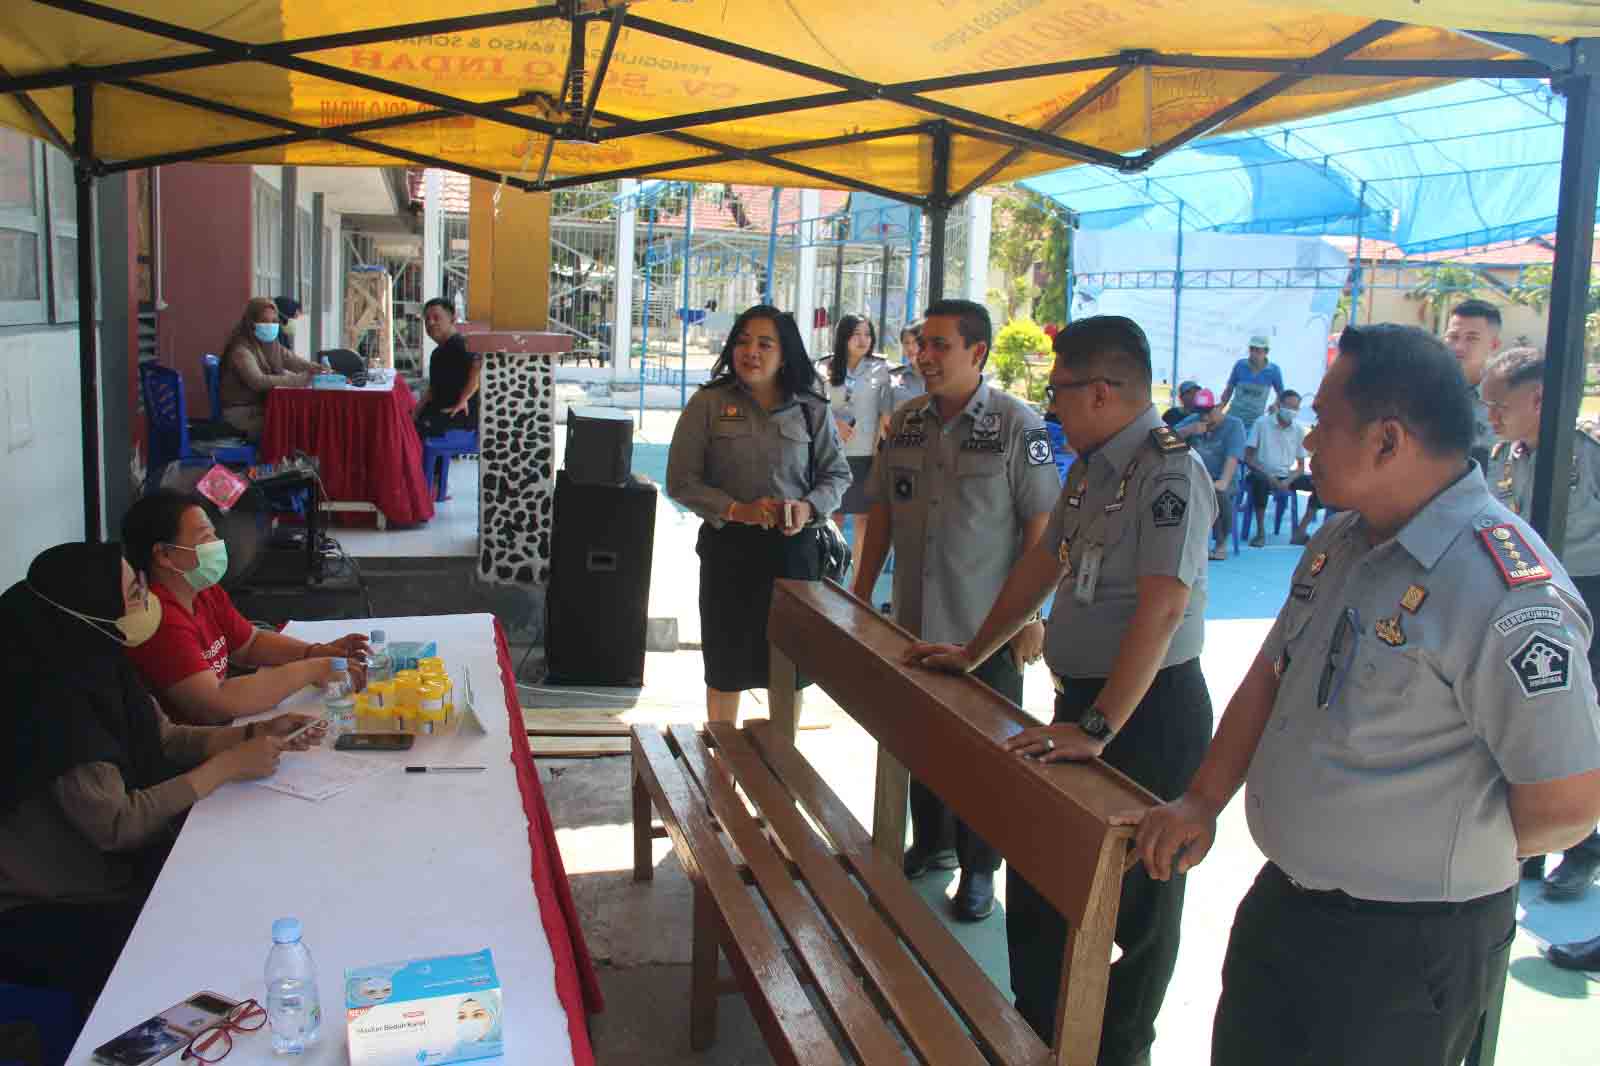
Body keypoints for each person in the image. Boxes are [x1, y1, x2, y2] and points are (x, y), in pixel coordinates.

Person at [1127, 323, 1600, 1066]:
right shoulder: (1344, 540)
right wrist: (1202, 800)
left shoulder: (1504, 592)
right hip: (1288, 904)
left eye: (1323, 421)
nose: (1309, 440)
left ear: (1386, 441)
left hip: (1408, 951)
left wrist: (1425, 847)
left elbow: (1567, 808)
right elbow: (1270, 673)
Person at [907, 315, 1216, 1066]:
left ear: (1102, 392)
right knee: (1045, 875)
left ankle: (1118, 1051)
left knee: (1139, 899)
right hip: (1083, 708)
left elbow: (1164, 607)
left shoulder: (1169, 472)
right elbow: (1044, 564)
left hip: (1148, 714)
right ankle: (1038, 1034)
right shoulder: (1092, 465)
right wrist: (975, 652)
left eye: (1062, 392)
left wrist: (1100, 726)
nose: (1055, 407)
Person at [0, 542, 325, 1018]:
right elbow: (116, 825)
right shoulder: (54, 713)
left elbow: (166, 739)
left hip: (106, 872)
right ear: (91, 610)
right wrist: (226, 767)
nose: (146, 602)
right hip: (48, 906)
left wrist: (252, 734)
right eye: (135, 593)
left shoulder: (95, 658)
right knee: (207, 941)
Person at [852, 299, 1058, 923]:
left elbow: (1043, 530)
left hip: (986, 631)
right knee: (920, 740)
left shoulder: (1019, 427)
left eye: (942, 346)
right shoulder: (907, 421)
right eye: (922, 345)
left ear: (978, 353)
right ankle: (935, 843)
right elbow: (883, 510)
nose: (926, 356)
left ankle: (979, 868)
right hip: (913, 622)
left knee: (986, 757)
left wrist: (1032, 616)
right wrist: (861, 596)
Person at [666, 305, 851, 724]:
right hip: (729, 552)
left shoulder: (810, 408)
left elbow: (836, 475)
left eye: (765, 344)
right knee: (725, 664)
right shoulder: (708, 404)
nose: (751, 351)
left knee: (789, 668)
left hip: (794, 555)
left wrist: (808, 507)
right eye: (743, 342)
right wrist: (736, 510)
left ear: (784, 354)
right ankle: (720, 763)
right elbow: (680, 481)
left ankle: (780, 766)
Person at [1483, 346, 1600, 901]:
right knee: (1526, 719)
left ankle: (1582, 848)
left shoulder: (1590, 449)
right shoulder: (1504, 458)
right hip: (1529, 603)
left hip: (1592, 597)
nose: (1491, 417)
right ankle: (1530, 840)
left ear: (1537, 400)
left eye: (1499, 406)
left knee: (1583, 722)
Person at [121, 490, 369, 725]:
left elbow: (250, 643)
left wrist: (316, 653)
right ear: (164, 555)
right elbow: (215, 701)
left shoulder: (202, 590)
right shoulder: (160, 619)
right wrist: (315, 669)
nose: (219, 544)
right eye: (206, 537)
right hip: (191, 750)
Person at [824, 314, 894, 575]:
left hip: (867, 455)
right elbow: (813, 408)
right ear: (843, 337)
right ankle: (832, 575)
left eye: (867, 334)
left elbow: (886, 412)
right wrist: (833, 423)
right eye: (856, 333)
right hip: (833, 455)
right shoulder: (825, 368)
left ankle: (859, 582)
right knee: (835, 517)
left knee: (865, 518)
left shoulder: (881, 369)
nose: (863, 339)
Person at [217, 296, 319, 438]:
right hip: (242, 414)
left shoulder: (268, 344)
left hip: (260, 408)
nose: (270, 326)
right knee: (296, 422)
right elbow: (258, 381)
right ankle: (282, 458)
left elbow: (292, 360)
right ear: (251, 323)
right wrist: (298, 380)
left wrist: (316, 369)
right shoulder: (241, 349)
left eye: (274, 321)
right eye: (264, 321)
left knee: (302, 417)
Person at [1175, 389, 1246, 561]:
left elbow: (1233, 458)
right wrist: (1188, 431)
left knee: (1219, 493)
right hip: (1194, 477)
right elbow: (1162, 439)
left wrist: (1223, 481)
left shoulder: (1234, 425)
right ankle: (1180, 542)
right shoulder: (1193, 421)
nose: (1204, 418)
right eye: (1200, 413)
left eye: (1208, 412)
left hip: (1221, 477)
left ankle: (1221, 543)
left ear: (1219, 407)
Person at [1241, 391, 1311, 547]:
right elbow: (1248, 458)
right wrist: (1269, 476)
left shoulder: (1298, 430)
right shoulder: (1262, 424)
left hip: (1286, 476)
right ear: (1279, 405)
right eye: (1289, 406)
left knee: (1318, 484)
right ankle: (1260, 533)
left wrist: (1288, 480)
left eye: (1296, 407)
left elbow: (1301, 466)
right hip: (1260, 472)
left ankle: (1300, 531)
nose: (1293, 410)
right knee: (1260, 483)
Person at [1442, 297, 1503, 467]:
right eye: (1453, 336)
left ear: (1494, 345)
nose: (1458, 347)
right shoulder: (1423, 393)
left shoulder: (1507, 400)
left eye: (1471, 338)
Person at [417, 297, 482, 438]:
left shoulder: (460, 344)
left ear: (452, 320)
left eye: (436, 318)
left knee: (410, 432)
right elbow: (433, 390)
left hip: (459, 416)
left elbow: (478, 366)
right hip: (440, 410)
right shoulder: (437, 353)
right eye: (427, 319)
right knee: (402, 422)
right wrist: (416, 410)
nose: (430, 323)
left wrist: (463, 399)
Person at [1218, 335, 1285, 431]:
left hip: (1254, 422)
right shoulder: (1240, 365)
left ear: (1266, 352)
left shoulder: (1274, 371)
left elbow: (1281, 393)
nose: (1254, 353)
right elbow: (1229, 389)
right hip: (1233, 416)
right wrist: (1220, 408)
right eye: (1251, 349)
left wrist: (1276, 405)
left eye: (1258, 350)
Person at [888, 320, 927, 414]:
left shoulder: (943, 377)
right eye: (906, 343)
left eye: (915, 342)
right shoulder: (894, 375)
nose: (910, 348)